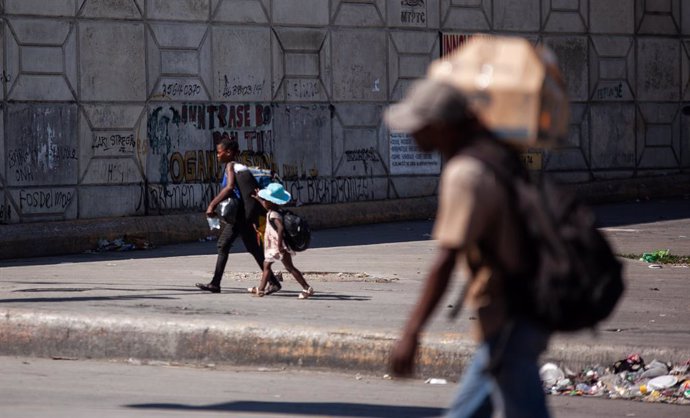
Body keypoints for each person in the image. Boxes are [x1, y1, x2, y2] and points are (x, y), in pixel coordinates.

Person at [385, 79, 551, 418]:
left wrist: (411, 333)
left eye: (419, 126)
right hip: (522, 310)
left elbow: (445, 261)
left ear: (442, 126)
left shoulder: (465, 173)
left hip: (511, 315)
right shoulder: (494, 156)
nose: (411, 134)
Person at [195, 137, 282, 295]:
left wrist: (211, 205)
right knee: (253, 249)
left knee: (223, 244)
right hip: (243, 215)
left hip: (241, 216)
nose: (217, 155)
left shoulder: (231, 166)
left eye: (219, 152)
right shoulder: (238, 167)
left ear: (228, 152)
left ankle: (215, 284)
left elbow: (229, 188)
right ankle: (273, 282)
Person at [248, 183, 314, 299]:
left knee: (277, 266)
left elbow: (280, 228)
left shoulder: (274, 214)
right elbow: (265, 206)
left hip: (277, 246)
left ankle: (306, 287)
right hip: (277, 246)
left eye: (266, 200)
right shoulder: (274, 210)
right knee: (276, 266)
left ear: (272, 202)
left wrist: (279, 246)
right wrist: (258, 198)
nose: (265, 201)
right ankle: (261, 289)